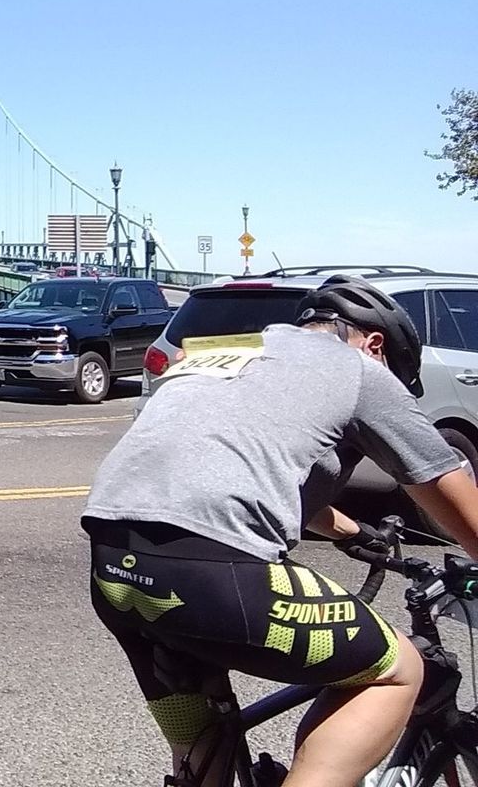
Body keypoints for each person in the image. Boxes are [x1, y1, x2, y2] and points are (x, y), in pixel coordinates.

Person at [83, 275, 478, 787]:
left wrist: (351, 531)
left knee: (205, 757)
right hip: (214, 573)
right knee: (400, 670)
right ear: (375, 344)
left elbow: (238, 466)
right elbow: (449, 491)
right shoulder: (358, 368)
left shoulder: (229, 351)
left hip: (115, 568)